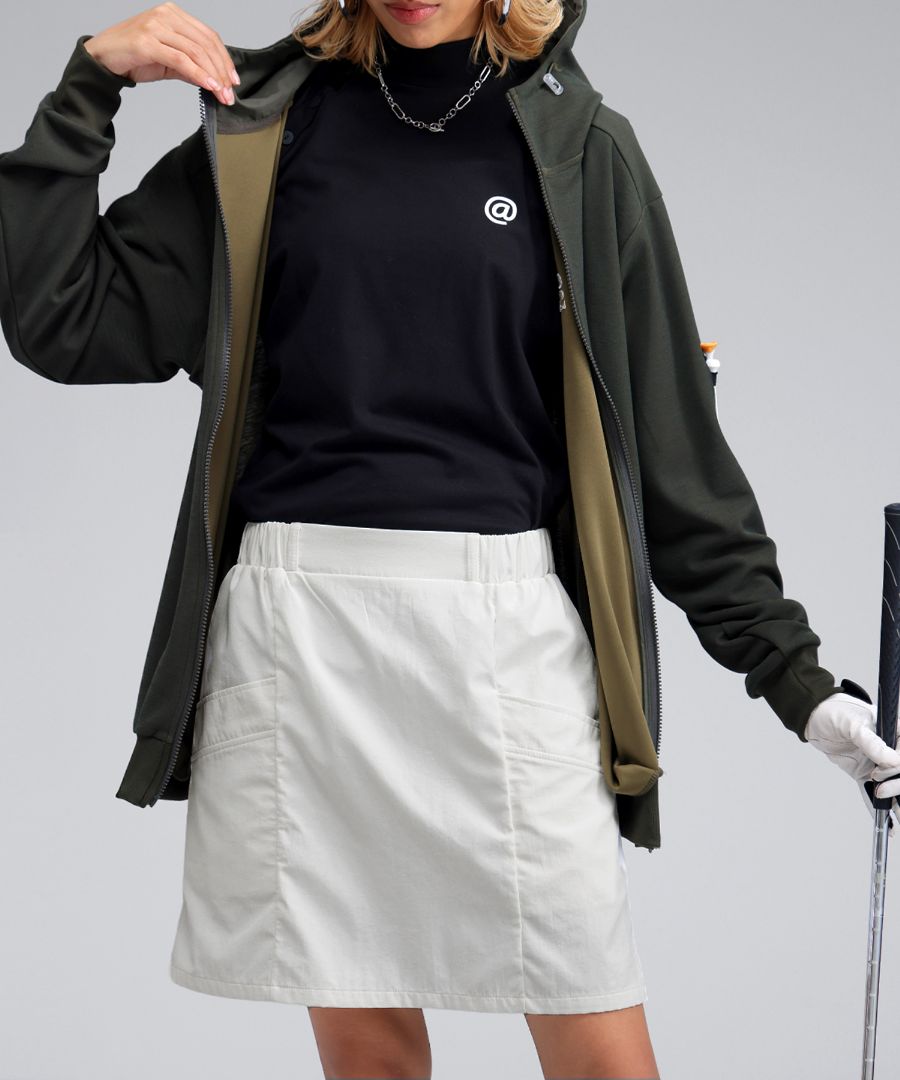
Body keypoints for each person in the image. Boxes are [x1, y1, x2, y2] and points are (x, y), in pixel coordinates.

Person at [3, 1, 899, 1077]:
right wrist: (89, 86)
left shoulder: (580, 148)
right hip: (299, 635)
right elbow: (62, 318)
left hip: (505, 637)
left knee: (602, 1052)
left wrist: (801, 686)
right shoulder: (268, 130)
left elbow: (674, 456)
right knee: (371, 1060)